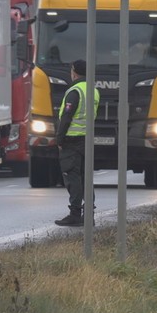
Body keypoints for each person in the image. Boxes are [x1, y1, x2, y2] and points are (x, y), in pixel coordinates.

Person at [54, 59, 100, 227]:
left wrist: (59, 138)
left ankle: (75, 214)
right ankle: (89, 215)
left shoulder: (75, 91)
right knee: (86, 178)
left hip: (71, 140)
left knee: (72, 178)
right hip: (86, 140)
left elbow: (66, 117)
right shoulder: (93, 90)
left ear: (74, 72)